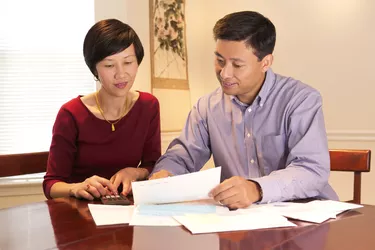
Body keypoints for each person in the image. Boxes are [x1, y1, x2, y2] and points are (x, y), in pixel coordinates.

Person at [150, 11, 338, 208]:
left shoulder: (301, 100)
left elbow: (312, 170)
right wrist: (166, 174)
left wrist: (256, 189)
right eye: (220, 61)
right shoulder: (206, 107)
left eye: (237, 65)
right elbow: (183, 156)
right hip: (243, 224)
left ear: (265, 63)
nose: (225, 73)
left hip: (306, 218)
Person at [43, 19, 161, 200]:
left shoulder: (148, 106)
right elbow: (51, 184)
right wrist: (77, 187)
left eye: (128, 62)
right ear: (94, 70)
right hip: (78, 214)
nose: (121, 74)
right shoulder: (71, 114)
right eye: (109, 65)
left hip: (127, 212)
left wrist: (134, 172)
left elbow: (153, 165)